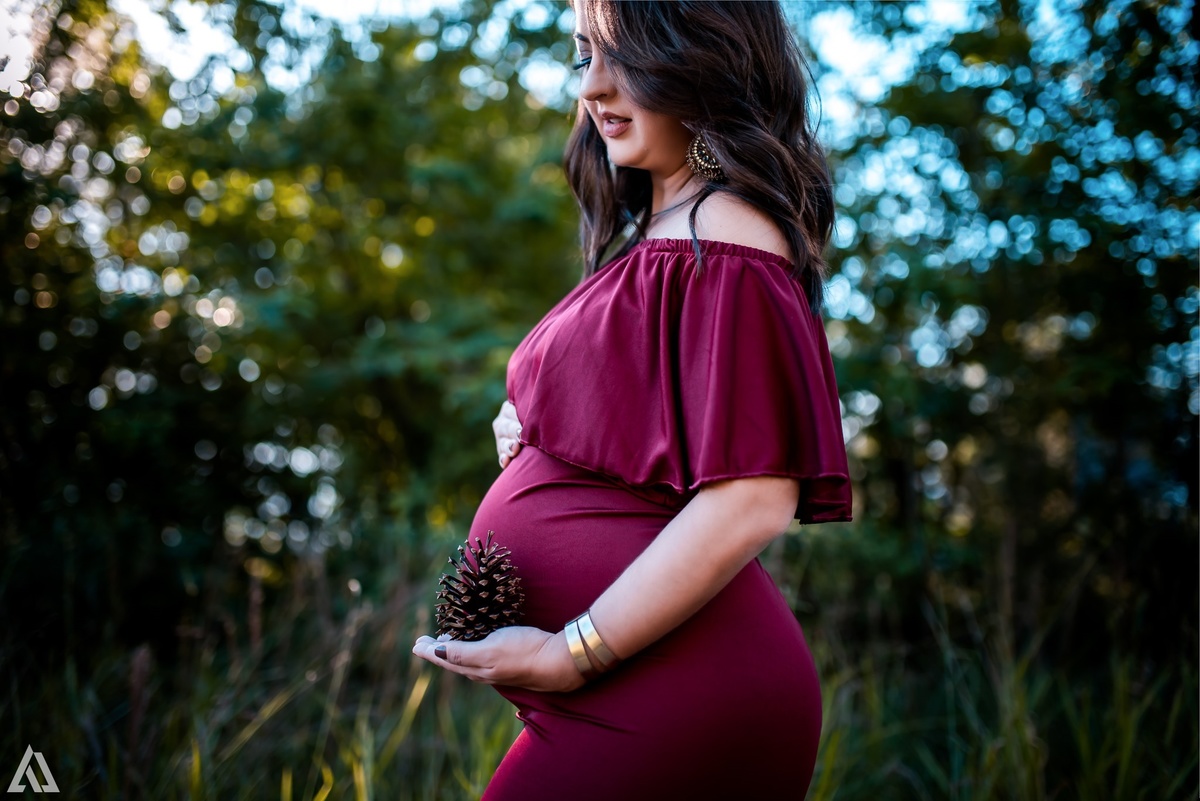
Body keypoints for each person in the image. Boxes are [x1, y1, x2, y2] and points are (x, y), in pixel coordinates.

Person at [413, 1, 853, 797]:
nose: (596, 87)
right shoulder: (666, 234)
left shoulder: (727, 226)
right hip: (641, 691)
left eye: (628, 56)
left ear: (702, 58)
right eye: (585, 56)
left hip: (679, 690)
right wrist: (537, 434)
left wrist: (567, 652)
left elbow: (753, 496)